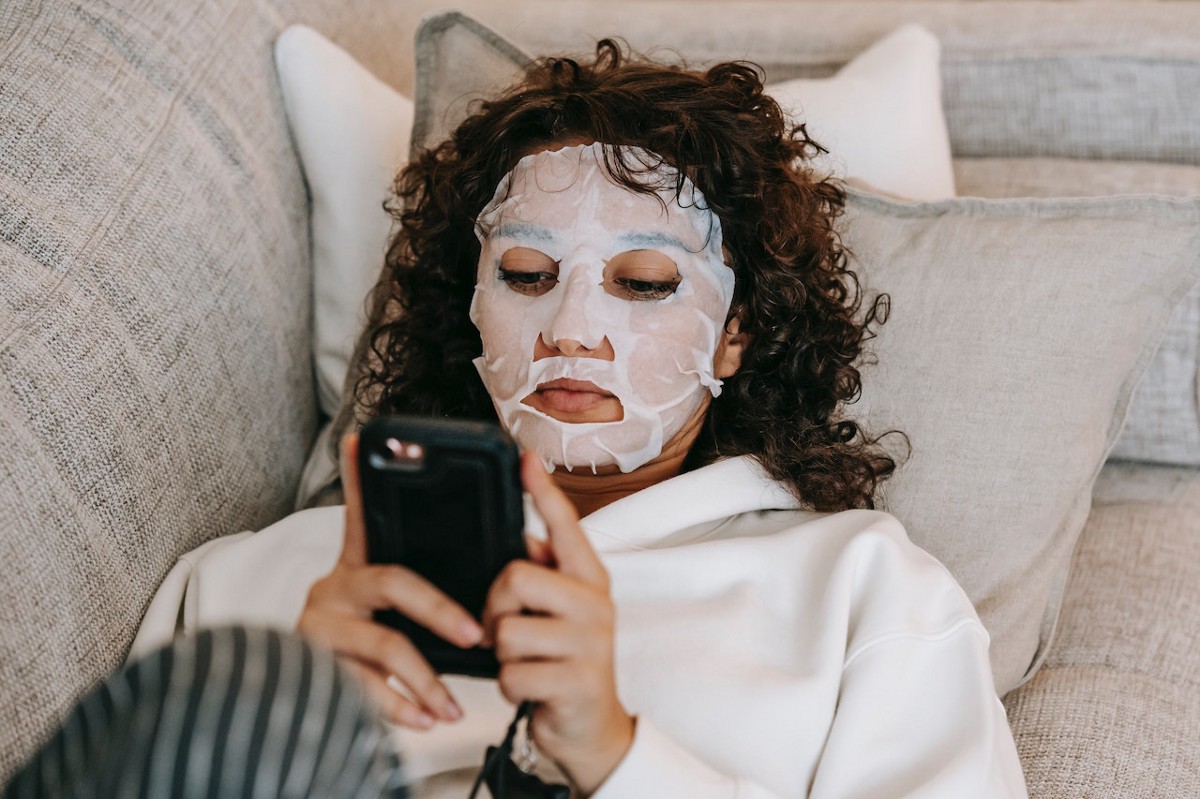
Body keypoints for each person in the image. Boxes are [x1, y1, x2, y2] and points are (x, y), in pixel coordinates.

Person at [10, 40, 1026, 798]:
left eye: (644, 280)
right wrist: (278, 708)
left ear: (736, 337)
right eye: (530, 275)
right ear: (472, 304)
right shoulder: (250, 583)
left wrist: (618, 753)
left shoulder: (865, 597)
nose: (570, 331)